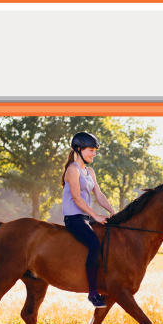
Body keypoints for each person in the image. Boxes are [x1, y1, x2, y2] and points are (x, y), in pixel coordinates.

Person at [61, 132, 116, 308]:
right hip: (74, 218)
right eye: (91, 150)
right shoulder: (72, 170)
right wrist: (96, 216)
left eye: (94, 151)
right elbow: (77, 198)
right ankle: (93, 293)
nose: (94, 154)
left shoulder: (89, 171)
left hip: (85, 217)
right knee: (94, 245)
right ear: (79, 149)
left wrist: (112, 211)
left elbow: (98, 195)